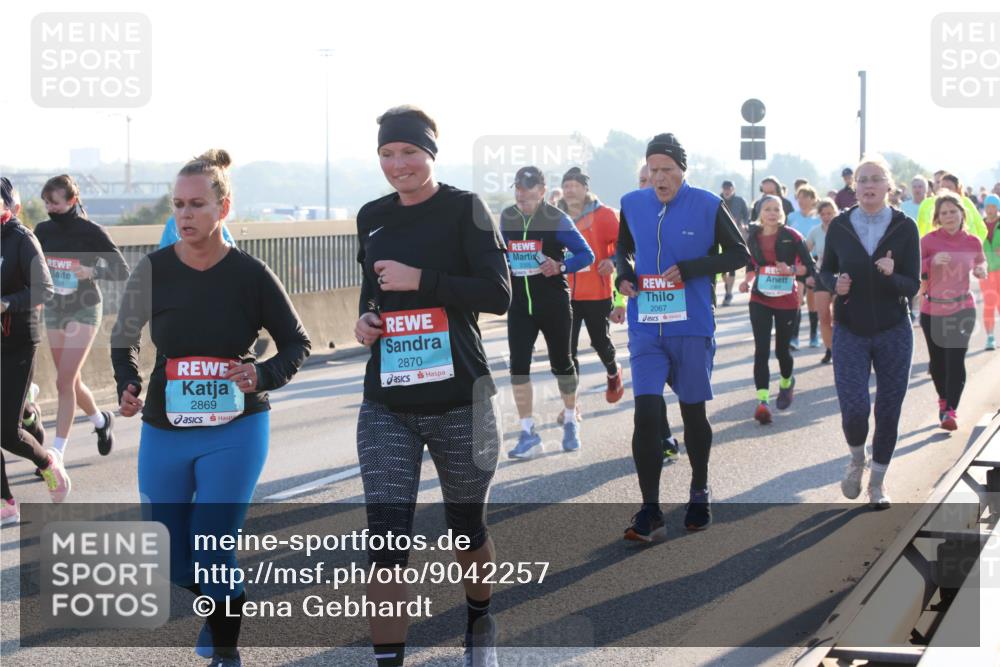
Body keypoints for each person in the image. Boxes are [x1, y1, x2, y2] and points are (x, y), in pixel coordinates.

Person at [111, 149, 311, 667]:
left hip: (237, 427)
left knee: (212, 545)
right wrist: (128, 381)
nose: (184, 215)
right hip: (165, 427)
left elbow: (297, 342)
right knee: (172, 554)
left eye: (196, 204)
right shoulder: (153, 270)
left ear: (223, 208)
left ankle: (226, 652)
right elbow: (124, 337)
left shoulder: (250, 273)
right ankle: (228, 602)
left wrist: (263, 374)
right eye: (177, 204)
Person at [351, 106, 511, 667]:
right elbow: (373, 295)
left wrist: (425, 282)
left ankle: (478, 621)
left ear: (431, 153)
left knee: (466, 529)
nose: (399, 165)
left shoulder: (465, 209)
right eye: (388, 154)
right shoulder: (370, 216)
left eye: (409, 152)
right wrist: (365, 320)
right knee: (386, 544)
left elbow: (499, 294)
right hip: (387, 403)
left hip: (460, 400)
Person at [616, 133, 749, 540]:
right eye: (653, 170)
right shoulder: (632, 203)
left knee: (693, 413)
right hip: (646, 327)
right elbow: (623, 249)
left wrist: (693, 267)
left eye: (667, 170)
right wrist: (623, 276)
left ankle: (699, 490)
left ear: (681, 171)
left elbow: (740, 254)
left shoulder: (707, 204)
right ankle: (650, 510)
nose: (659, 178)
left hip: (690, 324)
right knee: (647, 413)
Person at [820, 154, 920, 509]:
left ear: (888, 187)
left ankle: (877, 484)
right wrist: (836, 283)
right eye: (862, 180)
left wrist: (893, 273)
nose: (868, 186)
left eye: (876, 179)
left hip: (894, 328)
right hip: (850, 328)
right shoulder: (840, 226)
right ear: (855, 187)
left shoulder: (905, 227)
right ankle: (856, 459)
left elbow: (913, 286)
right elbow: (824, 272)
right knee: (854, 409)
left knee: (889, 410)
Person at [500, 165, 594, 458]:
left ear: (541, 192)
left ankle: (569, 419)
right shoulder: (507, 217)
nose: (522, 200)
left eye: (528, 195)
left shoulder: (556, 219)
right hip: (519, 306)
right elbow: (502, 252)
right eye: (518, 194)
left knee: (561, 363)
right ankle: (527, 432)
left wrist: (560, 267)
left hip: (552, 302)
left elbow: (586, 255)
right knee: (518, 368)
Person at [34, 175, 129, 460]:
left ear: (72, 201)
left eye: (55, 202)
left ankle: (56, 453)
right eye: (46, 202)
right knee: (70, 381)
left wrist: (93, 272)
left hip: (84, 309)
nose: (49, 207)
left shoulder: (90, 231)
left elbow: (122, 270)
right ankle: (101, 421)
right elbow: (33, 266)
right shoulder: (42, 230)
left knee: (64, 382)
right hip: (54, 308)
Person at [1, 177, 71, 525]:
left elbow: (44, 289)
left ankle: (48, 463)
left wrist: (6, 303)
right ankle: (5, 501)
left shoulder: (21, 239)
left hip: (18, 342)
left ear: (7, 206)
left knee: (5, 432)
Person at [739, 195, 818, 424]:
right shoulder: (753, 236)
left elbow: (808, 268)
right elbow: (751, 265)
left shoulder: (792, 236)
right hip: (760, 298)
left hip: (786, 299)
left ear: (782, 212)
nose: (772, 213)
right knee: (761, 350)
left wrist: (790, 269)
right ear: (760, 213)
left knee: (782, 350)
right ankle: (762, 401)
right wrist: (748, 280)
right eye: (767, 209)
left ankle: (786, 382)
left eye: (776, 209)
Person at [920, 192, 988, 431]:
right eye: (944, 213)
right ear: (938, 217)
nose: (949, 216)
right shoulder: (928, 241)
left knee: (955, 360)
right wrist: (932, 262)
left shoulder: (972, 242)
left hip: (962, 309)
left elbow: (980, 262)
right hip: (932, 308)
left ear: (962, 214)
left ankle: (950, 411)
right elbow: (914, 269)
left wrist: (981, 270)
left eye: (953, 211)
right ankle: (942, 399)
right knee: (937, 364)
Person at [558, 167, 626, 403]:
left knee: (599, 342)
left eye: (575, 185)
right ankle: (571, 405)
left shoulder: (603, 215)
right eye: (566, 185)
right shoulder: (556, 217)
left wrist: (612, 260)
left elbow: (625, 244)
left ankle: (613, 371)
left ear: (586, 188)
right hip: (565, 294)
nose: (570, 190)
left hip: (597, 292)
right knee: (568, 350)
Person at [630, 165, 681, 461]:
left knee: (682, 384)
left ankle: (692, 432)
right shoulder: (632, 215)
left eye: (653, 180)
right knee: (651, 382)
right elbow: (620, 254)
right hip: (646, 312)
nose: (649, 185)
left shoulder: (679, 215)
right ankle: (662, 436)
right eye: (642, 180)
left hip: (681, 314)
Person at [787, 184, 822, 349]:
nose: (801, 201)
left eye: (805, 197)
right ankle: (794, 337)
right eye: (799, 198)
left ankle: (814, 335)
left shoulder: (818, 218)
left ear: (813, 199)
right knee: (797, 299)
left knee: (812, 301)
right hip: (796, 261)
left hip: (814, 261)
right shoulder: (792, 216)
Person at [807, 199, 838, 363]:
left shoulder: (843, 229)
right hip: (821, 275)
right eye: (823, 214)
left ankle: (842, 348)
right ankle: (829, 349)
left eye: (829, 213)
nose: (826, 217)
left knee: (838, 315)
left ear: (835, 212)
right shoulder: (815, 231)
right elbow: (805, 253)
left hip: (840, 276)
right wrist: (809, 273)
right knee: (824, 316)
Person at [916, 172, 987, 239]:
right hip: (936, 248)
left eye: (949, 188)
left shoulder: (966, 202)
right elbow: (919, 230)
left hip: (965, 248)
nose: (945, 191)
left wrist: (973, 246)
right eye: (942, 187)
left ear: (957, 189)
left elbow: (982, 229)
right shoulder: (928, 203)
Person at [720, 180, 749, 306]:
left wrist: (744, 225)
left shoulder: (740, 201)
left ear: (733, 189)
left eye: (729, 188)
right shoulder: (717, 199)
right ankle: (727, 285)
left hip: (734, 235)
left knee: (731, 266)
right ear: (722, 189)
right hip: (719, 235)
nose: (727, 190)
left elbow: (746, 216)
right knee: (722, 268)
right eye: (725, 188)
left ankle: (728, 292)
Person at [980, 194, 1000, 350]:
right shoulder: (980, 225)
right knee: (989, 303)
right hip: (986, 271)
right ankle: (990, 337)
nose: (990, 209)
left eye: (993, 206)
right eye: (987, 206)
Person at [160, 214, 236, 248]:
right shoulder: (171, 223)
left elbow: (231, 250)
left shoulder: (215, 222)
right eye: (179, 204)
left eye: (197, 204)